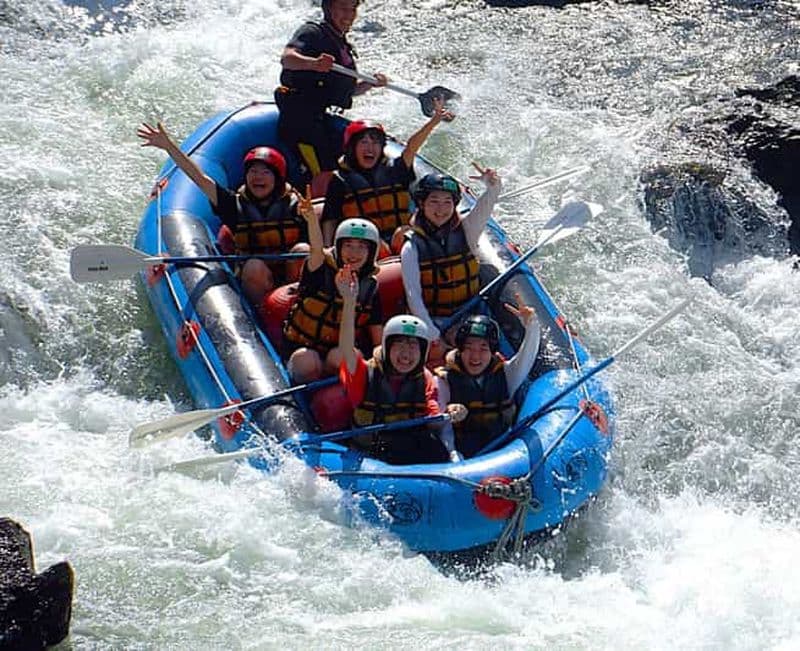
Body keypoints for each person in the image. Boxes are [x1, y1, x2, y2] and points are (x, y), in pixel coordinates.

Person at [136, 122, 311, 305]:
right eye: (253, 171)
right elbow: (199, 178)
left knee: (303, 250)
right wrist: (169, 146)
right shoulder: (233, 205)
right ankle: (259, 312)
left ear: (278, 179)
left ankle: (300, 304)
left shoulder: (295, 205)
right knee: (254, 266)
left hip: (290, 280)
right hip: (257, 282)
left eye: (265, 172)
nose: (258, 177)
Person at [336, 268, 467, 464]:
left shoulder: (424, 378)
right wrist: (349, 302)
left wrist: (450, 413)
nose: (406, 354)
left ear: (423, 352)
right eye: (399, 344)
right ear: (387, 347)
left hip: (407, 448)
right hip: (370, 454)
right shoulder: (364, 373)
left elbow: (432, 417)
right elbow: (346, 347)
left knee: (435, 450)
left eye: (413, 346)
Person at [276, 0, 387, 198]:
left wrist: (369, 84)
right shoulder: (312, 32)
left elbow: (346, 91)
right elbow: (287, 59)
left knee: (344, 164)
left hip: (320, 119)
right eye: (343, 8)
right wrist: (314, 64)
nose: (349, 14)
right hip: (300, 121)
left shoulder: (341, 43)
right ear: (328, 8)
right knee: (325, 172)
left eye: (353, 8)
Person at [321, 98, 454, 251]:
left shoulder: (395, 169)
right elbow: (330, 219)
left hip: (403, 239)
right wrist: (328, 248)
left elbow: (411, 147)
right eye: (364, 142)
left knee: (402, 234)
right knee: (376, 242)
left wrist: (434, 121)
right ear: (352, 148)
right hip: (365, 245)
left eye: (375, 142)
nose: (370, 148)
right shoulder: (340, 180)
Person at [400, 164, 502, 352]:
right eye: (434, 201)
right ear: (421, 204)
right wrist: (432, 333)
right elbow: (413, 296)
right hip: (437, 320)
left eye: (447, 202)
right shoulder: (411, 247)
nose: (441, 209)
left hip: (472, 311)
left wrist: (493, 185)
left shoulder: (467, 230)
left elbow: (486, 206)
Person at [283, 214, 383, 382]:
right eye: (348, 245)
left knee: (343, 356)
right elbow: (316, 249)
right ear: (338, 247)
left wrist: (379, 364)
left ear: (371, 252)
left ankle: (332, 386)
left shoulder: (370, 288)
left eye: (361, 247)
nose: (354, 253)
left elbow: (377, 337)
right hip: (302, 347)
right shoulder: (320, 269)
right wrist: (312, 221)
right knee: (308, 362)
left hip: (336, 351)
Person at [436, 302, 540, 460]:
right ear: (460, 350)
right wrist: (452, 451)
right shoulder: (444, 379)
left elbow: (527, 355)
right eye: (469, 348)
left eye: (483, 349)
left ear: (492, 352)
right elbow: (440, 425)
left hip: (504, 450)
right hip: (462, 453)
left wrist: (532, 325)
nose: (475, 356)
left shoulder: (507, 374)